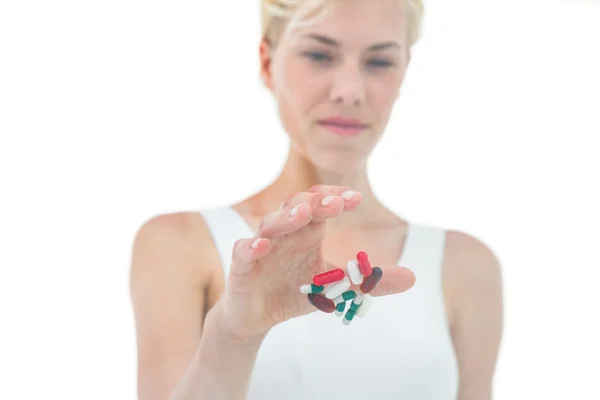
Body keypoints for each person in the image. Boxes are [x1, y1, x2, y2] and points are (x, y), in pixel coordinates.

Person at [129, 0, 504, 399]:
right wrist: (233, 335)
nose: (349, 91)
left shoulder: (468, 265)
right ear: (268, 62)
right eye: (319, 54)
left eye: (379, 62)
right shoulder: (179, 243)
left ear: (404, 73)